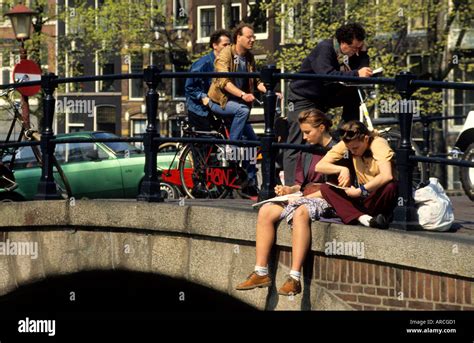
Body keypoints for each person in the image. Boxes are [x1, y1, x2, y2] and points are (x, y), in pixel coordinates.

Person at [235, 109, 336, 296]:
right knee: (266, 209)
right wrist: (289, 190)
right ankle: (261, 272)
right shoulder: (307, 150)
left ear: (322, 128)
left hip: (327, 199)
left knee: (301, 212)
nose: (304, 138)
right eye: (303, 132)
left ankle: (295, 277)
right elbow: (300, 184)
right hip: (304, 195)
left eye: (308, 132)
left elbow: (335, 191)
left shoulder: (338, 150)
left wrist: (301, 197)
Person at [283, 22, 372, 186]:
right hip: (303, 96)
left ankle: (346, 135)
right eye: (354, 48)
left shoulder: (350, 52)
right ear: (344, 44)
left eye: (360, 48)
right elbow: (326, 75)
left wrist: (363, 54)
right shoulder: (325, 48)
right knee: (296, 141)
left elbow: (362, 71)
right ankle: (290, 188)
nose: (356, 52)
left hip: (323, 96)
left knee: (353, 95)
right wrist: (356, 73)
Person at [316, 120, 398, 230]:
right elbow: (319, 166)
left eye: (355, 148)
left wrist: (361, 190)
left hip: (377, 194)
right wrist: (342, 169)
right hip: (361, 197)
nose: (352, 152)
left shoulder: (378, 143)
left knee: (390, 187)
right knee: (326, 188)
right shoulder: (350, 143)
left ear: (365, 139)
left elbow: (387, 175)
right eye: (349, 149)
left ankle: (349, 213)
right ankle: (365, 219)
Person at [185, 29, 231, 131]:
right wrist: (203, 97)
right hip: (200, 110)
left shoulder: (227, 64)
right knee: (206, 143)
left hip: (216, 108)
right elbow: (189, 87)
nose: (228, 48)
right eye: (225, 45)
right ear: (215, 46)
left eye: (229, 45)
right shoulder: (203, 64)